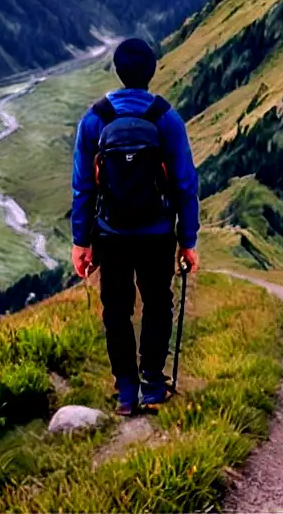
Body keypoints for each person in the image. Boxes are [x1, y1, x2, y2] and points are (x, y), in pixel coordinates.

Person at [70, 37, 200, 415]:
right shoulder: (166, 118)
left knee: (116, 309)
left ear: (117, 70)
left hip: (110, 234)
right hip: (158, 233)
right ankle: (153, 384)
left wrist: (82, 241)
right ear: (152, 71)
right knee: (158, 305)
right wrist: (187, 240)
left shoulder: (94, 119)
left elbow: (83, 186)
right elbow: (185, 183)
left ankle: (126, 390)